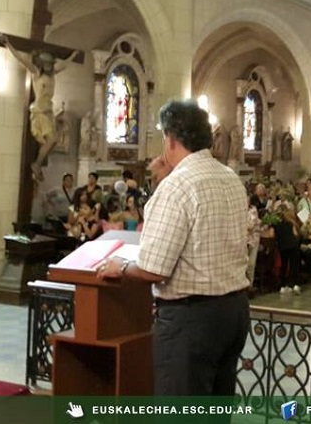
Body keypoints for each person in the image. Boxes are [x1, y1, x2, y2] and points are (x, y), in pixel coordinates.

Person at [97, 99, 250, 397]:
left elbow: (154, 268)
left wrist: (122, 267)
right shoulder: (231, 178)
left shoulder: (177, 185)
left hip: (192, 320)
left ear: (170, 138)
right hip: (234, 310)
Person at [3, 35, 78, 181]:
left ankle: (38, 163)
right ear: (42, 64)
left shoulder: (53, 74)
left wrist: (73, 55)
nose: (50, 66)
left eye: (51, 64)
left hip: (48, 110)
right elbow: (21, 59)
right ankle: (36, 164)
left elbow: (64, 65)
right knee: (51, 139)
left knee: (54, 140)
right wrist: (8, 44)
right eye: (47, 64)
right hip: (40, 111)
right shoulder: (36, 74)